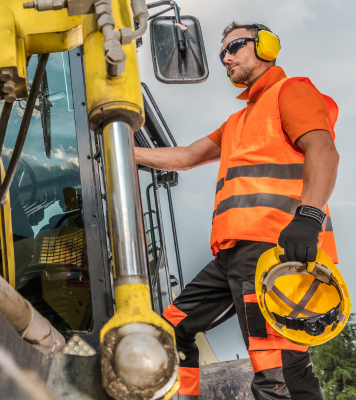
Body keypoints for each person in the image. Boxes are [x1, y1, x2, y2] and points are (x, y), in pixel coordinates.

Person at [135, 22, 339, 400]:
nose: (226, 58)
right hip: (233, 256)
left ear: (266, 46)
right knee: (169, 329)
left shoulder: (290, 92)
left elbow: (323, 150)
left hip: (277, 251)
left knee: (276, 368)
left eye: (235, 46)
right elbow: (184, 157)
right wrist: (120, 150)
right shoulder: (238, 121)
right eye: (222, 53)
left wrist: (308, 218)